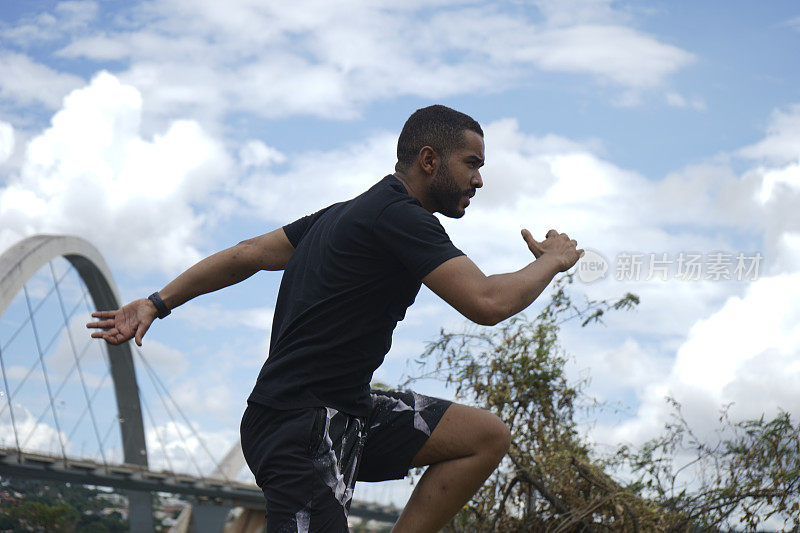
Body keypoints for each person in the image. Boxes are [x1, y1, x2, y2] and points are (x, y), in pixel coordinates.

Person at [87, 104, 583, 532]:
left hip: (348, 414)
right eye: (472, 163)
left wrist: (158, 301)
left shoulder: (346, 214)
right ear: (429, 160)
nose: (479, 179)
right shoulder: (399, 216)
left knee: (483, 435)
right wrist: (550, 261)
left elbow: (248, 252)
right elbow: (487, 302)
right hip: (298, 425)